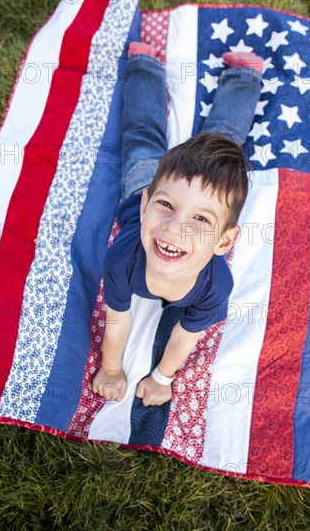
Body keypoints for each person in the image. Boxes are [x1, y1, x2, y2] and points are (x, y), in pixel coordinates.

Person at [92, 41, 264, 406]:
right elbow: (117, 319)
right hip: (147, 181)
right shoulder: (122, 258)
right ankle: (144, 65)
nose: (173, 227)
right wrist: (110, 368)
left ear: (224, 242)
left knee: (225, 142)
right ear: (145, 209)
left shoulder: (216, 286)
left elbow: (186, 335)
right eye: (165, 208)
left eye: (201, 219)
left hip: (179, 187)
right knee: (141, 137)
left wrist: (161, 377)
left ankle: (245, 77)